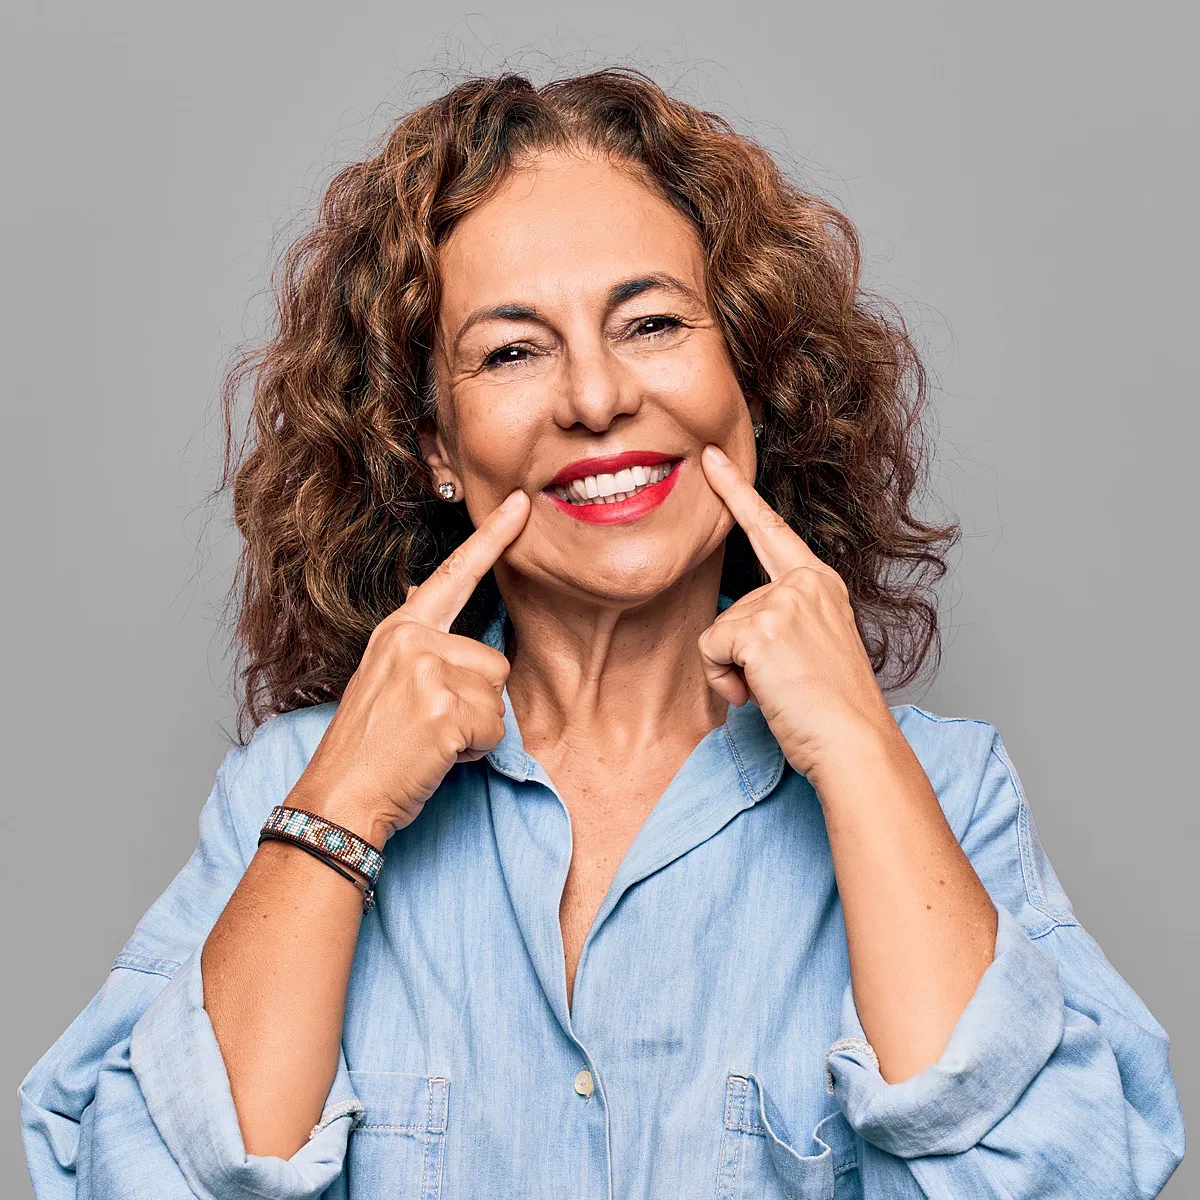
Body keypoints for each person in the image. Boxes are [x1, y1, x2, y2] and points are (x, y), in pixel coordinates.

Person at [19, 67, 1185, 1199]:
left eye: (653, 323)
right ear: (434, 446)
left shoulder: (943, 789)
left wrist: (856, 753)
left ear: (749, 381)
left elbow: (1065, 1180)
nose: (595, 397)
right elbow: (138, 1180)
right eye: (512, 350)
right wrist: (343, 806)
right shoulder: (289, 789)